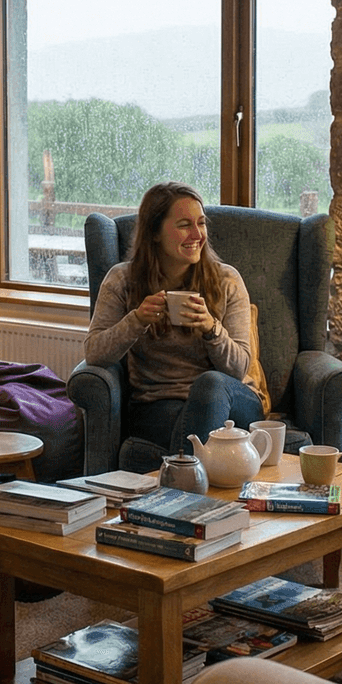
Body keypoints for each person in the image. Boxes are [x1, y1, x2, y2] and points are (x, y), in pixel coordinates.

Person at [85, 181, 266, 470]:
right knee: (191, 422)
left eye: (201, 223)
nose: (197, 235)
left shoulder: (226, 280)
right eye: (184, 225)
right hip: (159, 403)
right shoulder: (122, 280)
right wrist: (137, 320)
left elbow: (238, 368)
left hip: (233, 401)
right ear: (154, 232)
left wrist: (211, 328)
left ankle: (178, 490)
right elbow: (94, 353)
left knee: (210, 384)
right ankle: (197, 488)